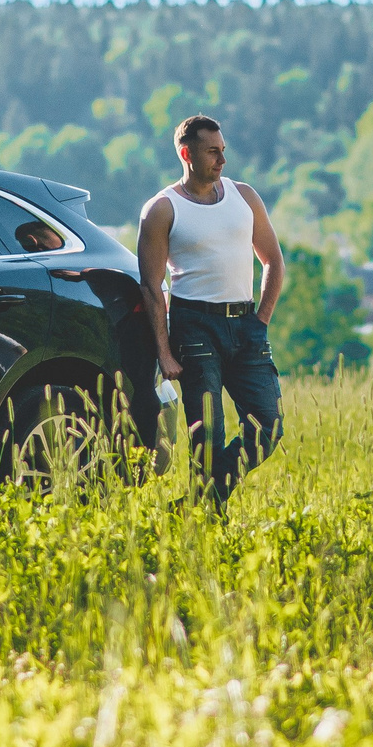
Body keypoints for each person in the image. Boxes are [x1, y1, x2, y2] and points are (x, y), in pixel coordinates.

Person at [138, 114, 288, 502]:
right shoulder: (162, 209)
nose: (222, 160)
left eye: (223, 151)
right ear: (187, 154)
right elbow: (152, 287)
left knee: (267, 428)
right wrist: (164, 352)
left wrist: (261, 321)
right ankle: (205, 528)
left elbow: (272, 260)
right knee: (207, 436)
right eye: (212, 152)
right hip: (194, 328)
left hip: (246, 325)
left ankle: (193, 505)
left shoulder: (244, 196)